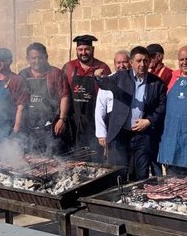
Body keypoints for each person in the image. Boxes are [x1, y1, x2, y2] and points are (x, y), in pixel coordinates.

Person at [95, 46, 166, 181]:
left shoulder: (156, 83)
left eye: (145, 61)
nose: (142, 64)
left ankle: (138, 198)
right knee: (118, 172)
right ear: (131, 62)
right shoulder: (121, 76)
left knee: (140, 174)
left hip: (142, 135)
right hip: (121, 133)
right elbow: (106, 84)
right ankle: (118, 200)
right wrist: (98, 77)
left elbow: (162, 106)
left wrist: (149, 120)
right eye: (138, 61)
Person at [157, 46, 187, 175]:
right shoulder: (172, 76)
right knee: (174, 183)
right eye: (181, 59)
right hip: (172, 137)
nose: (184, 62)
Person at [18, 42, 70, 155]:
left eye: (40, 58)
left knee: (52, 158)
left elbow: (64, 96)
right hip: (29, 125)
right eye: (33, 58)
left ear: (46, 57)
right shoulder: (23, 75)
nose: (37, 61)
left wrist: (62, 119)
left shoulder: (56, 73)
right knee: (31, 157)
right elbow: (19, 101)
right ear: (28, 59)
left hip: (51, 126)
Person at [62, 35, 111, 153]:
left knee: (94, 155)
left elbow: (108, 97)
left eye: (87, 49)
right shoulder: (68, 67)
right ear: (76, 51)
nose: (83, 52)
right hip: (73, 120)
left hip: (94, 121)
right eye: (80, 49)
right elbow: (64, 93)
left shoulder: (102, 67)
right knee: (73, 155)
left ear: (92, 50)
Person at [95, 50, 130, 154]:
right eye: (118, 63)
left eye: (125, 62)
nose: (121, 65)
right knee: (116, 160)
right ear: (114, 64)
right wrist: (102, 134)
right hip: (112, 125)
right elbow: (100, 108)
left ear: (130, 63)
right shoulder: (107, 80)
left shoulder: (135, 80)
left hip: (130, 127)